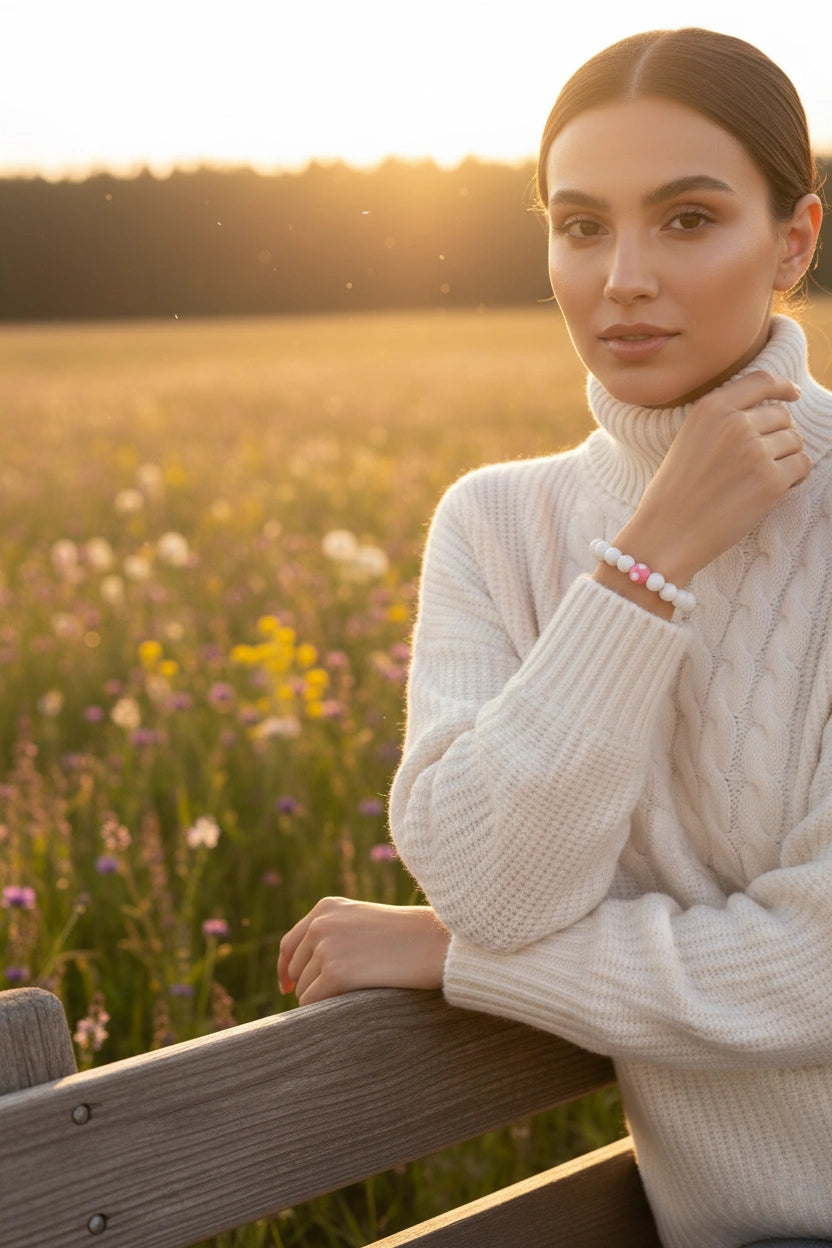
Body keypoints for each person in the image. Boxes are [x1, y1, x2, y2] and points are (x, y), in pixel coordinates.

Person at [278, 27, 831, 1248]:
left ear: (791, 241)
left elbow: (814, 972)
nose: (621, 275)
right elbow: (489, 882)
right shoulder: (493, 527)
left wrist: (456, 960)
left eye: (687, 219)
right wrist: (648, 564)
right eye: (581, 226)